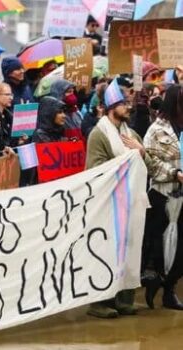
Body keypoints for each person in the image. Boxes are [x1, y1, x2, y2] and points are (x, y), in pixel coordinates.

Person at [86, 79, 149, 318]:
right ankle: (100, 303)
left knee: (130, 249)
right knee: (105, 251)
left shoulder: (131, 135)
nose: (129, 108)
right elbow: (95, 169)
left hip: (132, 201)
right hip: (108, 202)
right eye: (124, 104)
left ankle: (124, 299)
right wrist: (130, 157)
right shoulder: (98, 135)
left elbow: (148, 163)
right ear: (112, 106)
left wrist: (140, 151)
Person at [143, 84, 183, 310]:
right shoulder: (157, 130)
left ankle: (170, 287)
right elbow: (149, 161)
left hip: (182, 197)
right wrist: (175, 174)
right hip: (163, 194)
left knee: (181, 248)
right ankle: (155, 280)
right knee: (160, 246)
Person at [0, 82, 14, 146]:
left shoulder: (8, 115)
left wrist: (18, 141)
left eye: (11, 95)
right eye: (7, 95)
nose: (11, 98)